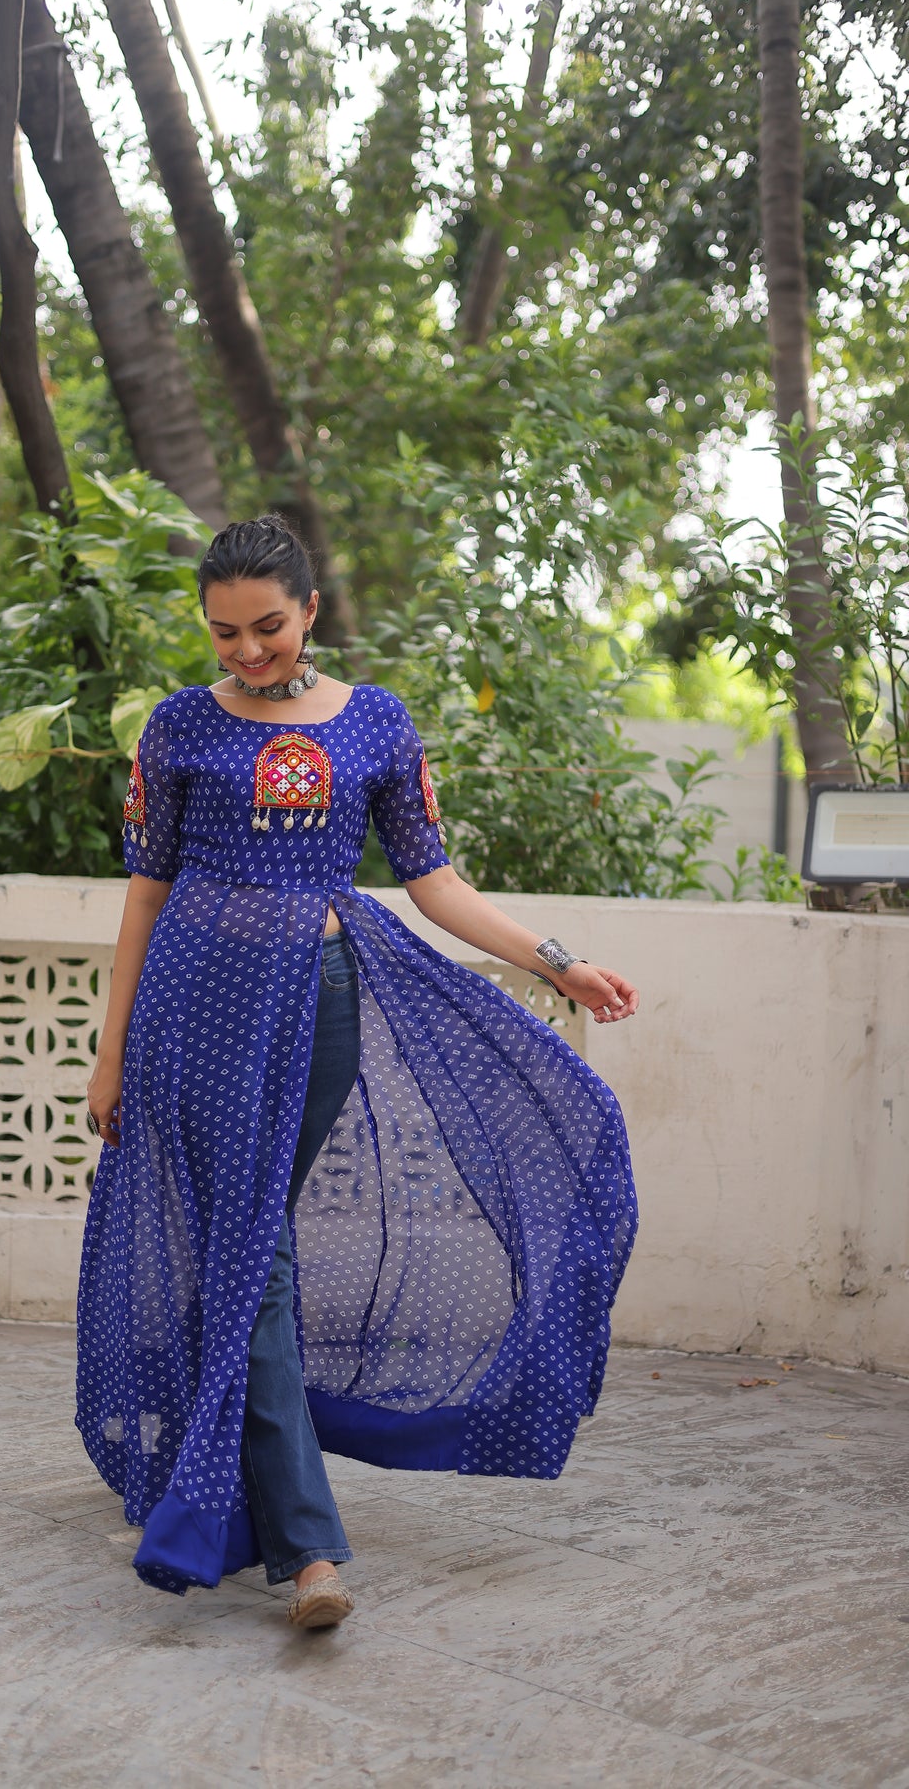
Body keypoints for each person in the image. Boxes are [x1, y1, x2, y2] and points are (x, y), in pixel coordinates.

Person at [80, 515, 639, 1630]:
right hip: (192, 1010)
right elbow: (146, 891)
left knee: (251, 1249)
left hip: (318, 1000)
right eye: (224, 632)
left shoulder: (377, 720)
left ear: (311, 610)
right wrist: (113, 1050)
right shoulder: (177, 724)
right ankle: (307, 1551)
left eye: (268, 627)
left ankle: (232, 1493)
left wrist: (556, 960)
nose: (248, 650)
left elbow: (435, 882)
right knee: (253, 1254)